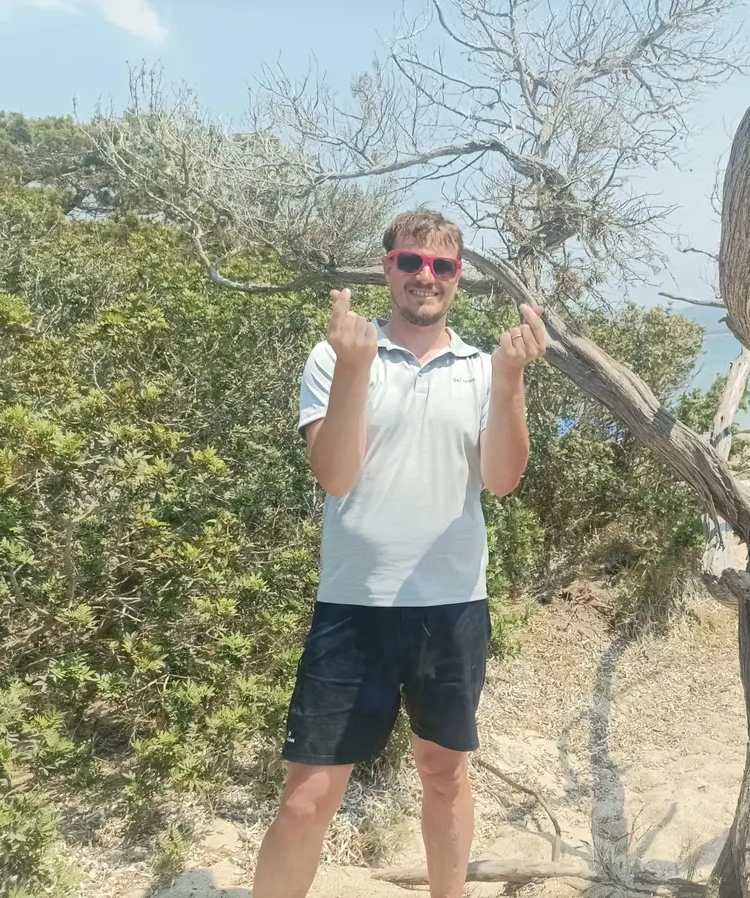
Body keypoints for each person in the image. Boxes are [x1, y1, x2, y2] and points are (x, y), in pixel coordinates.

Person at [252, 208, 547, 898]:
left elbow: (502, 480)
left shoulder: (482, 369)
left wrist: (509, 382)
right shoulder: (336, 355)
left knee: (444, 775)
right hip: (354, 609)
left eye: (442, 266)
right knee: (304, 800)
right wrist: (354, 370)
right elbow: (335, 476)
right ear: (387, 267)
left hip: (451, 609)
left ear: (458, 277)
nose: (426, 277)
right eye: (411, 262)